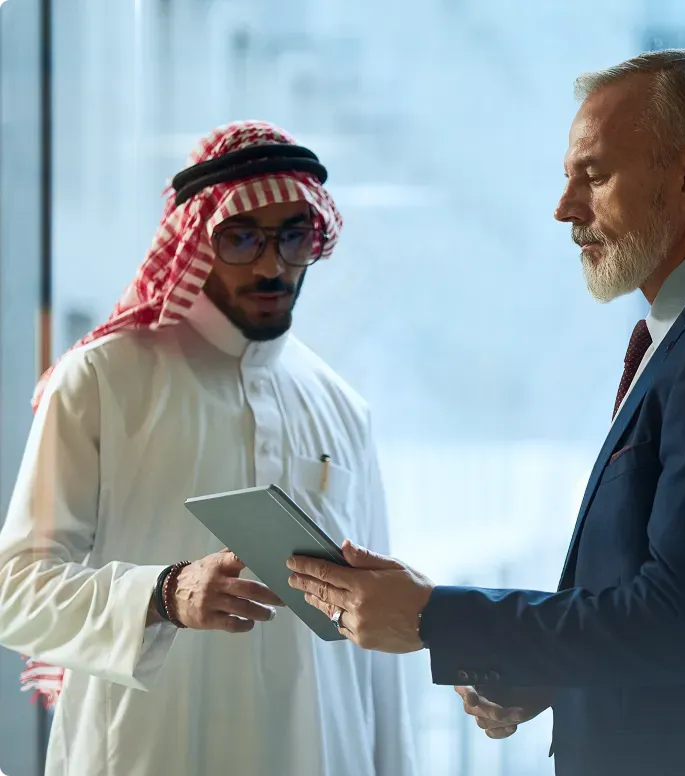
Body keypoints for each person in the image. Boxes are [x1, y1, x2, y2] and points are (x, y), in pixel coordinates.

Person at [284, 50, 685, 776]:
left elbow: (683, 621)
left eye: (593, 175)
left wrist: (430, 617)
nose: (565, 208)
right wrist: (540, 672)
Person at [0, 121, 416, 776]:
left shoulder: (342, 408)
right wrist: (164, 595)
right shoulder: (102, 380)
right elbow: (16, 590)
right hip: (146, 753)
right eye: (241, 238)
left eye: (292, 237)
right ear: (198, 239)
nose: (271, 264)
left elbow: (376, 648)